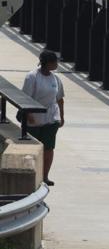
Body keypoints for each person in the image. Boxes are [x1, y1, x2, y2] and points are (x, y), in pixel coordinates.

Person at [21, 49, 65, 187]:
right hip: (34, 118)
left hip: (51, 118)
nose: (56, 64)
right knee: (32, 149)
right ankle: (31, 175)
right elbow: (25, 98)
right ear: (47, 63)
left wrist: (61, 117)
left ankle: (45, 176)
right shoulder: (32, 76)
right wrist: (29, 115)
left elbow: (60, 99)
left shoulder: (55, 78)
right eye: (54, 62)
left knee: (48, 148)